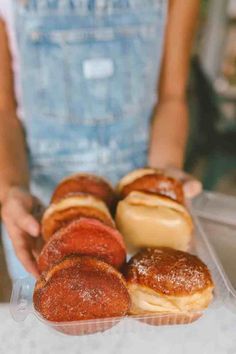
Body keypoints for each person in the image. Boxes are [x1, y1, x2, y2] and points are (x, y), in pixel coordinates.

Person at [0, 0, 201, 281]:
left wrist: (165, 173)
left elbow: (172, 97)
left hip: (141, 219)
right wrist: (11, 189)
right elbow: (3, 112)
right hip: (41, 212)